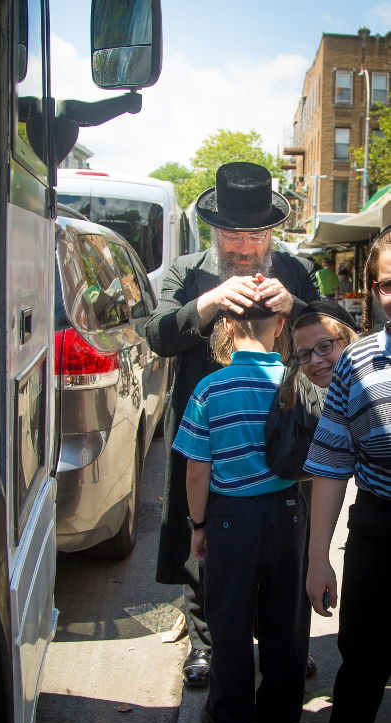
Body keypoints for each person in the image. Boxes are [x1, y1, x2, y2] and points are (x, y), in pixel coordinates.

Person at [145, 161, 319, 686]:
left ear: (271, 232)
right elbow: (155, 333)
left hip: (283, 428)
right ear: (214, 230)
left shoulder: (292, 269)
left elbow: (330, 330)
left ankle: (285, 644)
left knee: (285, 538)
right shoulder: (187, 270)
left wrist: (299, 308)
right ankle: (208, 642)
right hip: (207, 429)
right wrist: (208, 303)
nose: (244, 248)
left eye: (256, 235)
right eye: (232, 235)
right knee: (200, 536)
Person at [172, 302, 310, 723]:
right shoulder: (296, 383)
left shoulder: (210, 389)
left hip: (231, 518)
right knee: (285, 616)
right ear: (282, 326)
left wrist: (198, 525)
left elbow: (197, 469)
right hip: (288, 512)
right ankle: (282, 718)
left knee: (228, 620)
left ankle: (230, 721)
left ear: (228, 326)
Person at [304, 225, 391, 723]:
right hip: (380, 537)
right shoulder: (357, 364)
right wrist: (317, 559)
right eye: (390, 283)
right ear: (374, 290)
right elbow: (331, 466)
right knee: (360, 673)